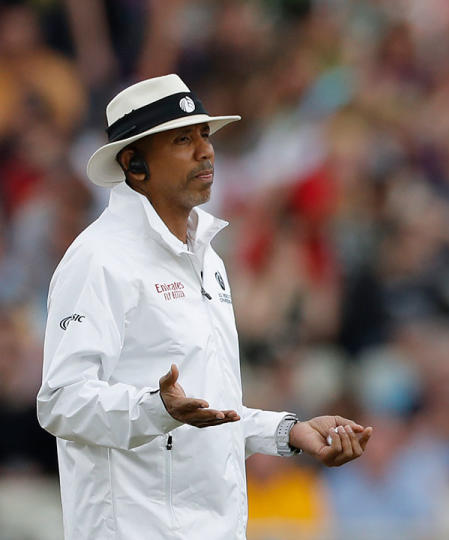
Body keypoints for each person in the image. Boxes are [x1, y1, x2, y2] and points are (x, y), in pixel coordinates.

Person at [36, 74, 373, 539]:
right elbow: (61, 402)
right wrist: (157, 409)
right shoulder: (98, 259)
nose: (205, 151)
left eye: (205, 135)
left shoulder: (206, 257)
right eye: (182, 139)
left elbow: (206, 408)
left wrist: (287, 432)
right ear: (134, 163)